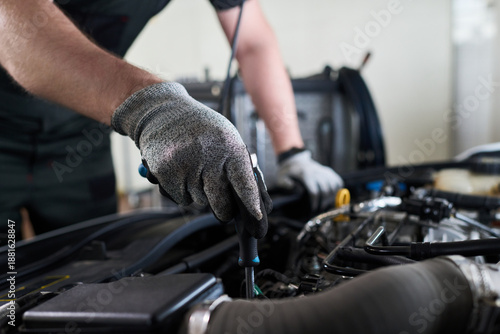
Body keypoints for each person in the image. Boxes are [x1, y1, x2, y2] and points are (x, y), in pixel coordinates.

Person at [0, 0, 342, 240]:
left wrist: (293, 152)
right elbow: (15, 26)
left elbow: (253, 43)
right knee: (9, 287)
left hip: (79, 139)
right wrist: (152, 107)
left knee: (85, 275)